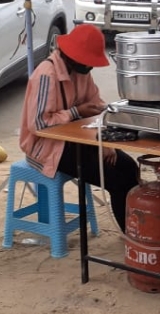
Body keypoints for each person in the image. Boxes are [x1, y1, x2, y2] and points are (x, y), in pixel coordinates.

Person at [19, 24, 140, 232]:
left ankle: (137, 228)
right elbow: (38, 124)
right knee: (115, 181)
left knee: (129, 167)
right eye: (87, 62)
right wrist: (76, 112)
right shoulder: (46, 75)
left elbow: (97, 108)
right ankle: (130, 235)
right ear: (72, 56)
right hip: (49, 147)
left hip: (81, 139)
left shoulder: (81, 72)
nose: (90, 68)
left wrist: (105, 141)